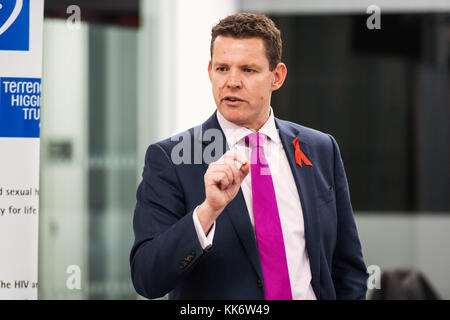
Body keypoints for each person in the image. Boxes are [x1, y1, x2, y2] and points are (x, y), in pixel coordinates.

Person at [130, 13, 368, 300]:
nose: (232, 82)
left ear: (276, 77)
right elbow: (147, 278)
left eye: (248, 70)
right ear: (209, 71)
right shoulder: (172, 159)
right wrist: (207, 212)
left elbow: (348, 268)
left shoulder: (320, 149)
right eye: (222, 68)